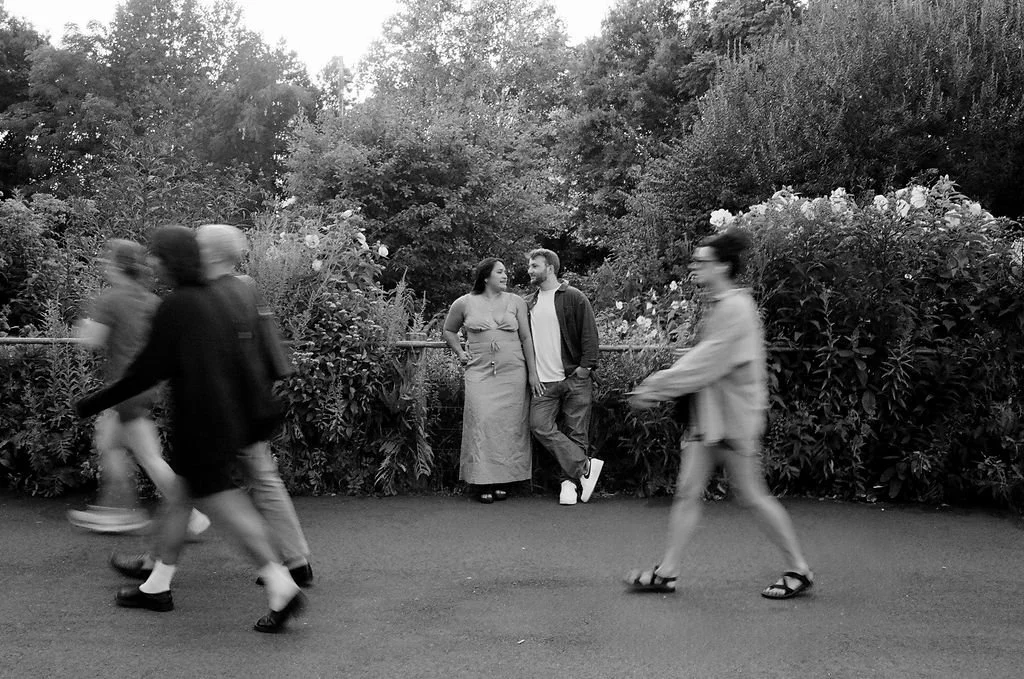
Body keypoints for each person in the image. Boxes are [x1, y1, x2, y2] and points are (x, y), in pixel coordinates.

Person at [75, 225, 305, 633]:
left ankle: (281, 583)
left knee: (226, 506)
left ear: (171, 260)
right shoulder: (210, 301)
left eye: (157, 255)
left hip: (201, 425)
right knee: (181, 500)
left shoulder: (178, 306)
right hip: (222, 420)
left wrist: (93, 402)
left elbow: (147, 369)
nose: (152, 263)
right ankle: (157, 585)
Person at [624, 227, 814, 600]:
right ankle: (668, 572)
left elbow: (707, 364)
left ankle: (800, 569)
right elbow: (707, 360)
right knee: (687, 493)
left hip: (731, 421)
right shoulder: (720, 306)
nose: (695, 267)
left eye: (702, 262)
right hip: (708, 419)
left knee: (752, 496)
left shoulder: (735, 308)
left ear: (723, 267)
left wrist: (654, 387)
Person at [66, 239, 210, 538]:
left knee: (146, 456)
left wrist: (85, 322)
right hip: (145, 385)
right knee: (111, 444)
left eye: (108, 260)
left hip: (124, 388)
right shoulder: (151, 300)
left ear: (117, 265)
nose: (104, 265)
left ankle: (185, 516)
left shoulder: (111, 299)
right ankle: (120, 511)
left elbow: (90, 341)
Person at [443, 258, 540, 503]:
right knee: (481, 422)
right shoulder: (464, 303)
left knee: (509, 427)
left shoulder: (516, 302)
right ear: (485, 277)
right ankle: (480, 481)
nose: (505, 275)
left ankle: (502, 481)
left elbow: (526, 338)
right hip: (479, 371)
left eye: (506, 272)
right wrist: (461, 353)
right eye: (500, 272)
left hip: (512, 373)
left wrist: (532, 373)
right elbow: (448, 330)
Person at [524, 248, 603, 506]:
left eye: (535, 265)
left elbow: (589, 335)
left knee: (576, 432)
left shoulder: (574, 297)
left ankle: (568, 485)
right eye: (530, 266)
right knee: (539, 425)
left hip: (574, 377)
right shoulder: (529, 302)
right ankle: (585, 466)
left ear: (550, 267)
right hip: (543, 382)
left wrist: (585, 368)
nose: (530, 270)